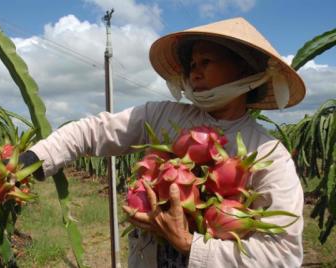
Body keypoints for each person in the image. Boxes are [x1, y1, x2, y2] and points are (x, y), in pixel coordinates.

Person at [21, 17, 306, 267]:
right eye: (192, 64)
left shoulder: (270, 155)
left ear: (244, 69)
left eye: (206, 62)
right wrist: (36, 157)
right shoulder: (163, 115)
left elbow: (282, 256)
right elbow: (94, 130)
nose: (194, 73)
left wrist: (190, 245)